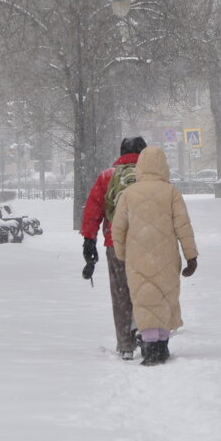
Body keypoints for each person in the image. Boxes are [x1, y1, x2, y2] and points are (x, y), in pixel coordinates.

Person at [110, 145, 199, 366]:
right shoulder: (171, 192)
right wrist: (191, 256)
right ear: (163, 167)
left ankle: (149, 346)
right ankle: (161, 345)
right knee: (164, 297)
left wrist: (122, 254)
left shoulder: (129, 194)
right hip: (167, 256)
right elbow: (183, 226)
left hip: (137, 257)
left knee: (143, 298)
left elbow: (118, 228)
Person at [81, 136, 147, 359]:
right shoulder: (150, 177)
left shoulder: (107, 177)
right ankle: (147, 333)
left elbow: (93, 210)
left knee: (121, 293)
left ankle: (125, 345)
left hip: (115, 243)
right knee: (146, 288)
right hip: (146, 242)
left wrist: (89, 239)